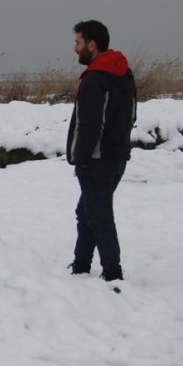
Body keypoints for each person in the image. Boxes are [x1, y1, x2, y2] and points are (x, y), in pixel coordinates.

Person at [66, 20, 137, 282]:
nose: (75, 49)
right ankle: (81, 264)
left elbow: (90, 124)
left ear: (92, 45)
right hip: (116, 156)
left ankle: (112, 273)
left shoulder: (95, 78)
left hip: (97, 160)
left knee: (99, 214)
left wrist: (80, 158)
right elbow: (131, 115)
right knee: (87, 210)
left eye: (78, 42)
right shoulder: (123, 73)